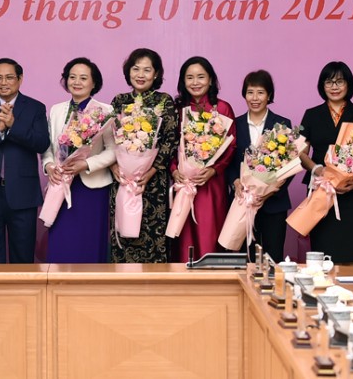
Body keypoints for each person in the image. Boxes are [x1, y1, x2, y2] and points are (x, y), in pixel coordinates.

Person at [0, 58, 50, 264]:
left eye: (9, 77)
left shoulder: (35, 108)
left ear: (20, 79)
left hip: (23, 192)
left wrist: (13, 125)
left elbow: (41, 143)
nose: (3, 82)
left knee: (23, 256)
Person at [42, 57, 116, 263]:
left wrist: (87, 164)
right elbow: (47, 147)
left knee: (89, 244)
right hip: (61, 185)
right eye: (72, 77)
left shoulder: (106, 111)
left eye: (83, 78)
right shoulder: (56, 110)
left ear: (94, 83)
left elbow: (113, 151)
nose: (77, 82)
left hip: (92, 188)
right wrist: (49, 165)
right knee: (62, 243)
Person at [298, 61, 353, 263]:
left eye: (340, 81)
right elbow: (301, 153)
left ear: (349, 84)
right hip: (321, 190)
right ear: (322, 86)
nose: (334, 87)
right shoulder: (312, 114)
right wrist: (317, 170)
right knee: (323, 250)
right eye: (329, 82)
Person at [109, 48, 178, 264]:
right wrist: (113, 167)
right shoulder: (119, 101)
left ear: (156, 74)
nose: (140, 74)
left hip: (152, 183)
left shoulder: (164, 101)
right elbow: (108, 139)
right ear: (128, 72)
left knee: (151, 233)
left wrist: (152, 171)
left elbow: (170, 140)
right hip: (122, 180)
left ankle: (154, 284)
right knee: (122, 233)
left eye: (147, 70)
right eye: (136, 69)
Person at [172, 56, 237, 261]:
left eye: (201, 77)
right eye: (189, 77)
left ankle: (211, 276)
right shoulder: (177, 109)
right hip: (184, 183)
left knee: (209, 231)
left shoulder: (222, 108)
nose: (195, 82)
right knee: (184, 236)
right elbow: (169, 145)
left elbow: (231, 146)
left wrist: (214, 170)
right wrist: (174, 170)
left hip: (211, 184)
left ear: (210, 80)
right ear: (183, 81)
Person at [227, 69, 292, 263]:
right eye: (250, 92)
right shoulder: (235, 125)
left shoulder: (282, 124)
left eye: (260, 92)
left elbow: (290, 165)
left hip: (274, 204)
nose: (255, 98)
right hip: (242, 203)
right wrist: (235, 182)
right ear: (244, 95)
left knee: (273, 259)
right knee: (244, 259)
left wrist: (271, 191)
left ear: (269, 95)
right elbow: (228, 161)